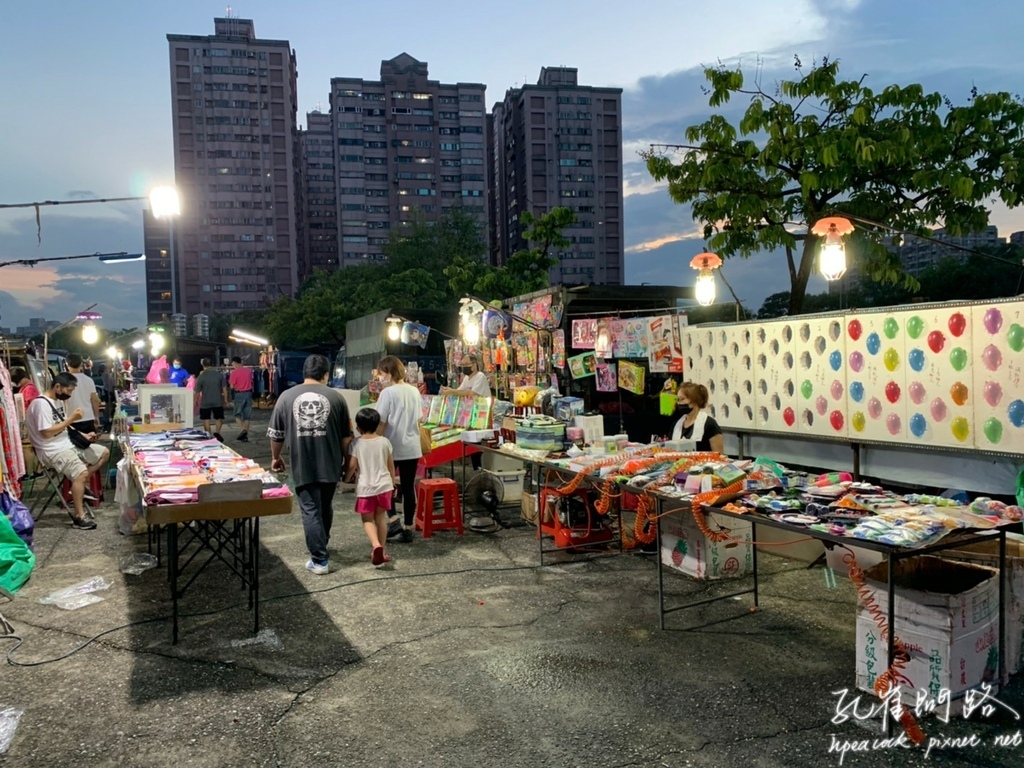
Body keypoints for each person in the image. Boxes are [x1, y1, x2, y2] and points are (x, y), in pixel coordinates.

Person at [268, 354, 352, 575]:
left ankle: (320, 559)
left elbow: (276, 435)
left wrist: (276, 458)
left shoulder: (286, 397)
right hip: (331, 462)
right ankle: (321, 547)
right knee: (324, 506)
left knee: (310, 510)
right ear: (326, 374)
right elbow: (346, 437)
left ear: (304, 373)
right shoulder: (337, 398)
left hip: (302, 463)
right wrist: (348, 463)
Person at [26, 372, 110, 529]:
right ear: (57, 387)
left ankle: (79, 484)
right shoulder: (41, 405)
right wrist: (72, 418)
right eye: (69, 390)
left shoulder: (56, 401)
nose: (70, 394)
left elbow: (64, 425)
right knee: (81, 473)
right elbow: (47, 432)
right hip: (51, 450)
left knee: (103, 453)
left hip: (68, 444)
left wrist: (83, 434)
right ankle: (79, 517)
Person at [374, 355, 424, 543]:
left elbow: (380, 422)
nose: (381, 377)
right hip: (412, 446)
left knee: (385, 483)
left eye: (382, 373)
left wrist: (375, 442)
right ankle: (408, 527)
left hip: (391, 446)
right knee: (409, 486)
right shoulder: (414, 391)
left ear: (388, 372)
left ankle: (394, 519)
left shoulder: (388, 393)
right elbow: (419, 418)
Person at [346, 407, 395, 567]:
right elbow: (391, 466)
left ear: (358, 427)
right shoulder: (385, 442)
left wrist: (347, 478)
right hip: (384, 486)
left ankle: (376, 545)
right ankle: (383, 552)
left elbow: (352, 466)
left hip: (366, 487)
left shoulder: (356, 443)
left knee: (367, 520)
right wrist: (392, 484)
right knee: (380, 519)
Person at [440, 353, 491, 471]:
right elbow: (459, 391)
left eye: (465, 364)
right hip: (471, 417)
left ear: (474, 365)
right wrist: (449, 391)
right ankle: (475, 469)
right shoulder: (467, 378)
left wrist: (452, 391)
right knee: (471, 442)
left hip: (482, 416)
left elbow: (472, 394)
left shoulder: (480, 377)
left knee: (477, 444)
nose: (463, 367)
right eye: (462, 365)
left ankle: (479, 469)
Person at [671, 382, 724, 454]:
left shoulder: (710, 424)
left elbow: (719, 455)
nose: (679, 403)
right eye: (678, 400)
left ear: (694, 400)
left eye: (682, 399)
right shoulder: (676, 425)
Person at [65, 353, 101, 435]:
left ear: (67, 364)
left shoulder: (63, 381)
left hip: (71, 418)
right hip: (88, 417)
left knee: (73, 445)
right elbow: (95, 400)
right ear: (81, 364)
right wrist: (96, 416)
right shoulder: (88, 380)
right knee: (90, 444)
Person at [194, 358, 227, 441]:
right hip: (218, 400)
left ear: (203, 365)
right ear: (211, 364)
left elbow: (197, 392)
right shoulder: (219, 375)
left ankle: (209, 436)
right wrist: (226, 400)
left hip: (205, 402)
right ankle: (218, 432)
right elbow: (224, 388)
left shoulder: (201, 377)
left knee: (206, 419)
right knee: (218, 418)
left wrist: (195, 402)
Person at [228, 356, 254, 442]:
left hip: (239, 394)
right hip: (248, 393)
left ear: (235, 363)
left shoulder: (234, 373)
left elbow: (231, 386)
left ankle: (244, 431)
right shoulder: (249, 371)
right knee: (247, 416)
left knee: (237, 414)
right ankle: (245, 434)